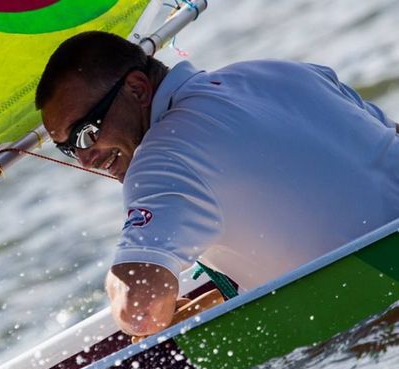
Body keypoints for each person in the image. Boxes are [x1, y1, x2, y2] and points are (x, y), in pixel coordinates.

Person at [35, 31, 399, 337]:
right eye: (67, 149)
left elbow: (141, 308)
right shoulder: (280, 72)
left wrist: (125, 292)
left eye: (87, 133)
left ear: (137, 88)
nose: (85, 159)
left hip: (380, 309)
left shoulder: (162, 158)